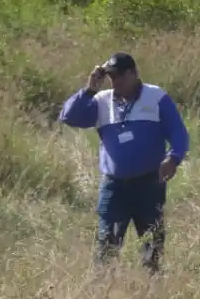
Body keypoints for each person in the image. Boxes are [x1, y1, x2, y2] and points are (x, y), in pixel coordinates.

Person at [58, 52, 189, 273]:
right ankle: (103, 293)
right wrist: (90, 89)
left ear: (134, 74)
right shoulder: (100, 102)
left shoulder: (156, 98)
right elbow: (69, 117)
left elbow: (178, 132)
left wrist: (173, 158)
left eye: (120, 76)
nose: (115, 81)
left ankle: (153, 291)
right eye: (111, 77)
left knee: (152, 245)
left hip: (149, 185)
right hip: (114, 187)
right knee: (107, 244)